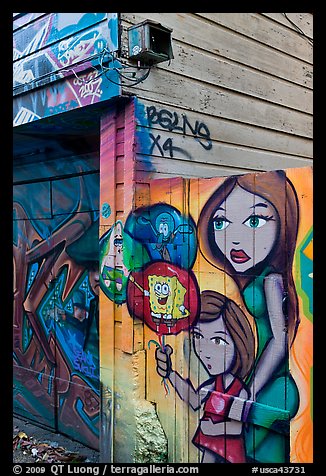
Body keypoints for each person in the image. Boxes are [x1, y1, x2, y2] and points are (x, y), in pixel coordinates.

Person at [197, 170, 300, 463]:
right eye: (221, 222)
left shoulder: (271, 279)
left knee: (253, 444)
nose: (235, 238)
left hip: (274, 382)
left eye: (255, 221)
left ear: (283, 220)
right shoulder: (242, 277)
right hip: (254, 376)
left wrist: (249, 392)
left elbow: (280, 339)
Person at [156, 290, 255, 463]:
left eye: (218, 341)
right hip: (210, 444)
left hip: (231, 452)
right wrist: (170, 373)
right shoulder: (211, 385)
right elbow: (194, 399)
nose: (205, 351)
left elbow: (237, 427)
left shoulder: (240, 391)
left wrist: (214, 429)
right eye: (198, 336)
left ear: (239, 342)